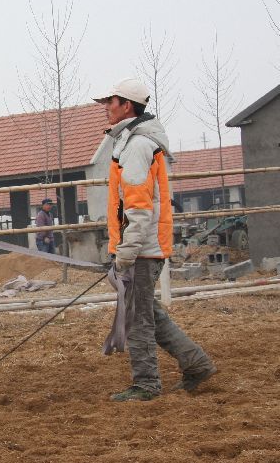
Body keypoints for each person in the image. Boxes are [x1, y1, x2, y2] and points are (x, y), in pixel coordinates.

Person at [93, 78, 217, 402]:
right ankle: (197, 363)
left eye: (111, 101)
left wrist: (124, 254)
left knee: (138, 320)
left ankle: (146, 384)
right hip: (144, 248)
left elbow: (137, 208)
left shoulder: (136, 147)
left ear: (127, 106)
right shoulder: (135, 142)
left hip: (141, 251)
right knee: (150, 315)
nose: (106, 108)